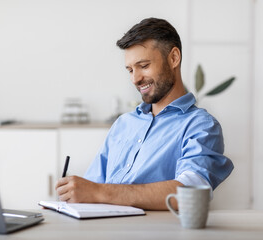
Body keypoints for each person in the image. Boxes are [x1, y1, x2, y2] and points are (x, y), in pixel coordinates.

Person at [55, 17, 234, 210]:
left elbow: (190, 193)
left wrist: (100, 192)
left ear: (174, 58)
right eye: (130, 70)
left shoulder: (201, 125)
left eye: (144, 66)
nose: (135, 78)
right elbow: (92, 188)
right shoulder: (123, 124)